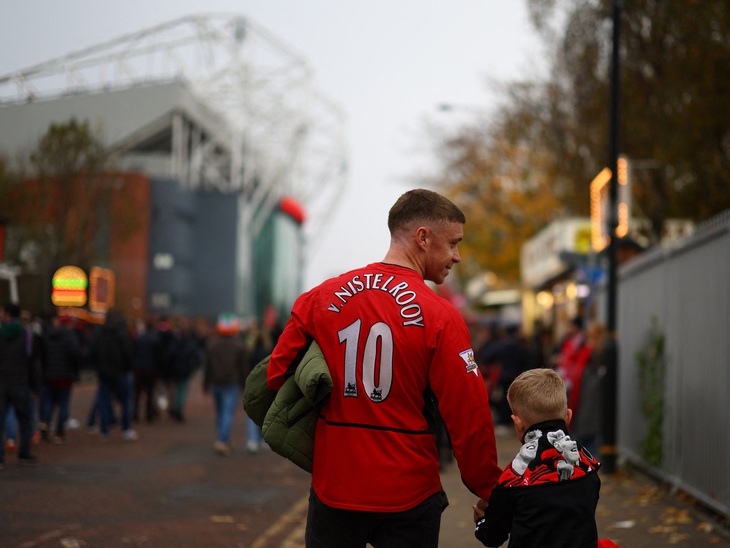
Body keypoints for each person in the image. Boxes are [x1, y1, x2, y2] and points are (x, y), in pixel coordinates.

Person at [266, 189, 502, 547]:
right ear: (423, 237)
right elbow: (468, 416)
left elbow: (276, 375)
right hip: (408, 493)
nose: (457, 256)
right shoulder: (440, 316)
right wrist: (489, 488)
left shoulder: (320, 298)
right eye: (453, 243)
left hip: (335, 488)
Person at [474, 368, 602, 547]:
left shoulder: (514, 478)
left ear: (517, 424)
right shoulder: (587, 465)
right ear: (568, 417)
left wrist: (482, 522)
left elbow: (493, 537)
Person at [0, 303, 41, 468]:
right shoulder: (28, 334)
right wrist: (35, 386)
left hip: (2, 383)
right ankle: (24, 453)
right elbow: (33, 363)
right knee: (25, 419)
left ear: (8, 314)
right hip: (21, 382)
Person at [203, 313, 247, 456]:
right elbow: (243, 368)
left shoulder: (212, 345)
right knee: (227, 413)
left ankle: (223, 438)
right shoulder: (240, 346)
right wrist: (244, 385)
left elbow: (207, 367)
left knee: (220, 412)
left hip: (216, 383)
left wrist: (206, 384)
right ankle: (223, 440)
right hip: (232, 383)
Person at [90, 307, 137, 441]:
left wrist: (98, 367)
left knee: (105, 401)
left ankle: (105, 430)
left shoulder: (99, 332)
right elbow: (129, 352)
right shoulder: (122, 332)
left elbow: (92, 351)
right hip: (121, 372)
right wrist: (127, 367)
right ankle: (126, 429)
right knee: (125, 402)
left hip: (104, 373)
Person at [38, 313, 81, 443]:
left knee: (49, 402)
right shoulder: (70, 336)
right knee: (63, 405)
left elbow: (42, 355)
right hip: (65, 376)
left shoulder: (48, 335)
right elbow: (75, 355)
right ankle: (59, 432)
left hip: (49, 375)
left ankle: (45, 422)